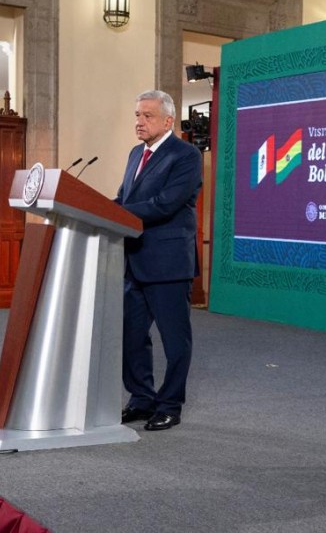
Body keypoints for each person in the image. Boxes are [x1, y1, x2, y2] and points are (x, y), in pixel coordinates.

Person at [115, 89, 202, 431]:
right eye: (137, 115)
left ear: (168, 120)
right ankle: (141, 398)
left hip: (167, 263)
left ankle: (170, 404)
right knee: (132, 336)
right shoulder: (136, 154)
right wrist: (99, 207)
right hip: (133, 259)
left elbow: (166, 203)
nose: (139, 121)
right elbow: (125, 197)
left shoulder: (186, 155)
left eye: (147, 116)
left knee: (174, 340)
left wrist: (115, 210)